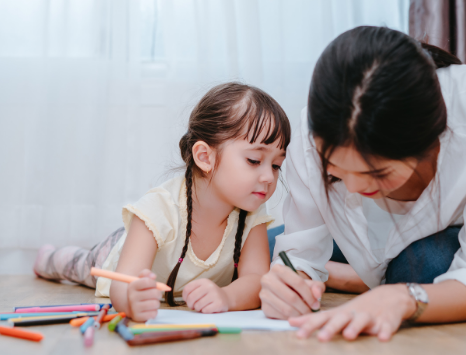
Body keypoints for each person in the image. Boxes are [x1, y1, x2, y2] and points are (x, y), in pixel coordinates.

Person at [262, 26, 466, 342]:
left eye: (378, 173)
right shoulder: (311, 138)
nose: (354, 188)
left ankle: (366, 280)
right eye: (335, 172)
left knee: (422, 266)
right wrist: (290, 285)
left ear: (428, 143)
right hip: (391, 238)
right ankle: (361, 278)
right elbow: (298, 255)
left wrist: (403, 298)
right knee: (267, 244)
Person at [34, 83, 290, 322]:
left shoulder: (252, 211)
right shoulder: (159, 208)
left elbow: (257, 279)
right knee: (80, 265)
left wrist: (227, 297)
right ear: (205, 157)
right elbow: (123, 282)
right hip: (115, 253)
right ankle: (48, 258)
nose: (269, 177)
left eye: (277, 165)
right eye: (255, 160)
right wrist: (131, 301)